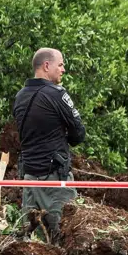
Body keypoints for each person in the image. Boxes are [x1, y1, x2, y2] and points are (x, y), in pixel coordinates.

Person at [12, 47, 86, 243]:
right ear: (46, 66)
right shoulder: (56, 94)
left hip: (29, 179)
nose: (63, 70)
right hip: (54, 181)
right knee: (67, 237)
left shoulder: (20, 96)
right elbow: (79, 133)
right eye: (60, 65)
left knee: (32, 244)